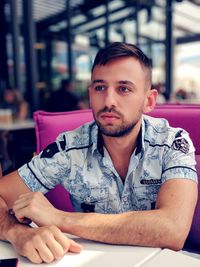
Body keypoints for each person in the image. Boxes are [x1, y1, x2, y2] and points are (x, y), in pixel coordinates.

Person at [0, 42, 198, 264]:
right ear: (90, 94)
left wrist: (58, 218)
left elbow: (173, 230)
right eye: (100, 87)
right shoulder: (69, 148)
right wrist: (16, 233)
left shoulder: (172, 142)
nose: (109, 102)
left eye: (124, 89)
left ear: (148, 100)